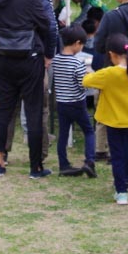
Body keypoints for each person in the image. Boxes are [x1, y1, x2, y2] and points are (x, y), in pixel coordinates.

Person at [0, 0, 56, 178]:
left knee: (3, 111)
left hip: (4, 59)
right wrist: (48, 54)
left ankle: (0, 162)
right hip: (30, 59)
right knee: (34, 112)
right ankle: (35, 167)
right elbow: (47, 27)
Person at [84, 33, 128, 205]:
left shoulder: (107, 73)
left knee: (118, 158)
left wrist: (88, 71)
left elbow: (86, 81)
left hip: (114, 123)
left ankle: (121, 192)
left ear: (111, 54)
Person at [54, 25, 96, 178]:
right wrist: (89, 74)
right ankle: (89, 161)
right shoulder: (77, 63)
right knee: (89, 131)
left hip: (61, 103)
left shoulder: (56, 60)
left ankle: (63, 165)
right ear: (77, 43)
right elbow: (82, 83)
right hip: (77, 103)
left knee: (63, 135)